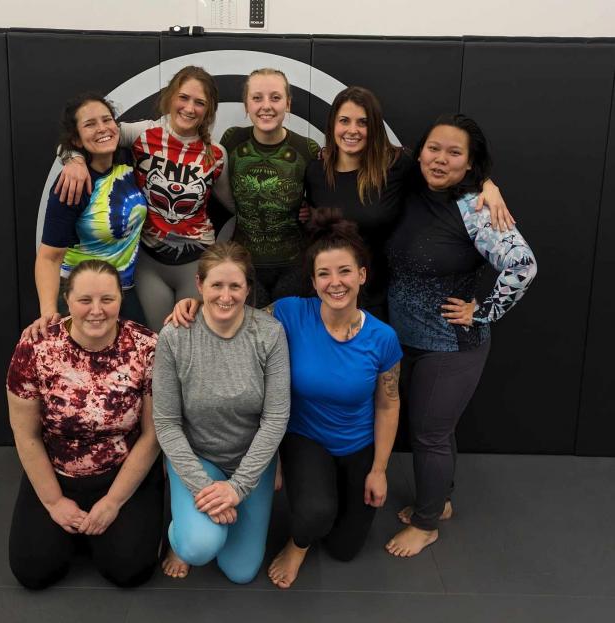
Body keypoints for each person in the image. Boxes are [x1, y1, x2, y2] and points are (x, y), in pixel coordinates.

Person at [168, 210, 402, 589]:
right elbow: (235, 312)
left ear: (361, 275)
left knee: (344, 548)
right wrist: (197, 304)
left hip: (357, 442)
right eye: (324, 274)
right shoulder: (290, 312)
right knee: (314, 513)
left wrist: (379, 468)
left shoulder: (383, 338)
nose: (335, 282)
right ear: (313, 281)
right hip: (305, 437)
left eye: (344, 271)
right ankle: (297, 546)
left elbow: (388, 404)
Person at [384, 114, 537, 557]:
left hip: (450, 346)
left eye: (454, 153)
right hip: (405, 340)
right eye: (434, 149)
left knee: (429, 434)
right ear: (419, 152)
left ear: (470, 163)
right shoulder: (410, 189)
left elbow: (523, 265)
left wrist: (483, 312)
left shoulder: (476, 208)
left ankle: (426, 523)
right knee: (437, 428)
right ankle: (441, 499)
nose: (440, 159)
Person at [6, 260, 163, 589]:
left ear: (120, 299)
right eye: (84, 300)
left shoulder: (148, 347)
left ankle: (109, 527)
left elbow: (152, 436)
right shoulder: (35, 347)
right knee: (33, 571)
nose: (96, 310)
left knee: (129, 570)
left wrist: (114, 501)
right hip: (58, 472)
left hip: (122, 471)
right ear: (67, 299)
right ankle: (76, 529)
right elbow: (26, 434)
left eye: (107, 299)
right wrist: (53, 502)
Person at [305, 86, 513, 319]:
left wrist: (487, 184)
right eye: (344, 120)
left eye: (363, 122)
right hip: (329, 295)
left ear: (374, 127)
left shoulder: (396, 166)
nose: (352, 130)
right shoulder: (315, 172)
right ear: (332, 124)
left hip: (379, 299)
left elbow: (440, 169)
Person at [56, 66, 235, 331]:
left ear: (209, 110)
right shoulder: (142, 133)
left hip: (197, 259)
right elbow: (89, 137)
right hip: (149, 261)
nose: (189, 108)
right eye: (183, 98)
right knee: (155, 339)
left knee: (191, 339)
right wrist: (74, 160)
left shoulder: (216, 154)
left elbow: (233, 206)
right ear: (170, 97)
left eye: (199, 102)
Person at [152, 241, 290, 584]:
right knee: (199, 546)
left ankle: (207, 517)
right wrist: (204, 489)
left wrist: (237, 488)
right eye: (216, 285)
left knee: (240, 571)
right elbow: (166, 423)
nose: (225, 296)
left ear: (248, 289)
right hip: (199, 457)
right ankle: (180, 537)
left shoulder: (269, 334)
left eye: (235, 286)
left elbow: (275, 418)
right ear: (199, 285)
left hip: (250, 461)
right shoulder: (175, 336)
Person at [30, 92, 148, 339]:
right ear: (77, 139)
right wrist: (49, 313)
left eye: (107, 120)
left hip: (123, 290)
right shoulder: (73, 185)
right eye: (90, 124)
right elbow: (49, 258)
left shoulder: (128, 157)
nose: (102, 128)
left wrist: (70, 155)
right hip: (82, 296)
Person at [220, 68, 320, 305]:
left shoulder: (307, 149)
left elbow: (322, 201)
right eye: (257, 98)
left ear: (288, 104)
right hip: (242, 266)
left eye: (275, 98)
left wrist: (310, 209)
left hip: (295, 266)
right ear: (246, 105)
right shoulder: (232, 140)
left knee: (286, 326)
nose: (266, 106)